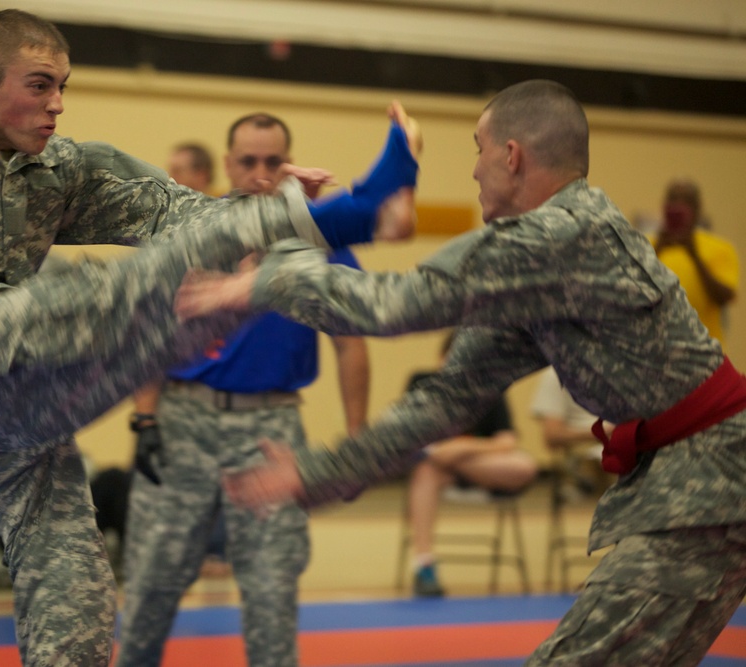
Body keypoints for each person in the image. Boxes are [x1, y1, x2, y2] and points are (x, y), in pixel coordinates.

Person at [0, 9, 419, 666]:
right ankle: (357, 211)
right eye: (38, 85)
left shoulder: (61, 168)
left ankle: (326, 222)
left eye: (63, 85)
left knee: (80, 610)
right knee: (92, 296)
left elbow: (174, 210)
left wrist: (271, 210)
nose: (57, 104)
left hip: (25, 413)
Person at [176, 79, 746, 665]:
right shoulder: (543, 265)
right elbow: (446, 397)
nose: (473, 171)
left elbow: (396, 304)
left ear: (511, 155)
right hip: (705, 483)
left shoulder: (559, 236)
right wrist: (321, 474)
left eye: (477, 148)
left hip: (708, 485)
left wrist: (270, 275)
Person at [117, 112, 373, 667]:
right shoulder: (191, 232)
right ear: (228, 165)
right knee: (150, 587)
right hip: (184, 419)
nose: (260, 173)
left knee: (271, 591)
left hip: (270, 428)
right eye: (248, 161)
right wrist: (145, 419)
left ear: (288, 165)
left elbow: (351, 342)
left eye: (273, 162)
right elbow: (148, 334)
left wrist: (355, 443)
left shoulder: (315, 238)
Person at [405, 330, 536, 598]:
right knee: (426, 469)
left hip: (481, 469)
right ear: (441, 359)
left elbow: (507, 442)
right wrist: (444, 453)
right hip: (436, 469)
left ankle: (450, 457)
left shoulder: (491, 388)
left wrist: (462, 448)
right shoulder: (421, 383)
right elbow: (411, 436)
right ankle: (424, 566)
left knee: (524, 466)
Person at [651, 178, 739, 347]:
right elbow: (629, 288)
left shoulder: (721, 248)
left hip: (705, 349)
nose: (678, 205)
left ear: (698, 210)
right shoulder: (646, 245)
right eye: (673, 199)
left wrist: (695, 255)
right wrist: (657, 250)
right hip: (657, 349)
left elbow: (725, 297)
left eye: (686, 201)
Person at [530, 365, 610, 500]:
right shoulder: (557, 374)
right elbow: (552, 436)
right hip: (586, 451)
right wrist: (601, 433)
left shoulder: (619, 372)